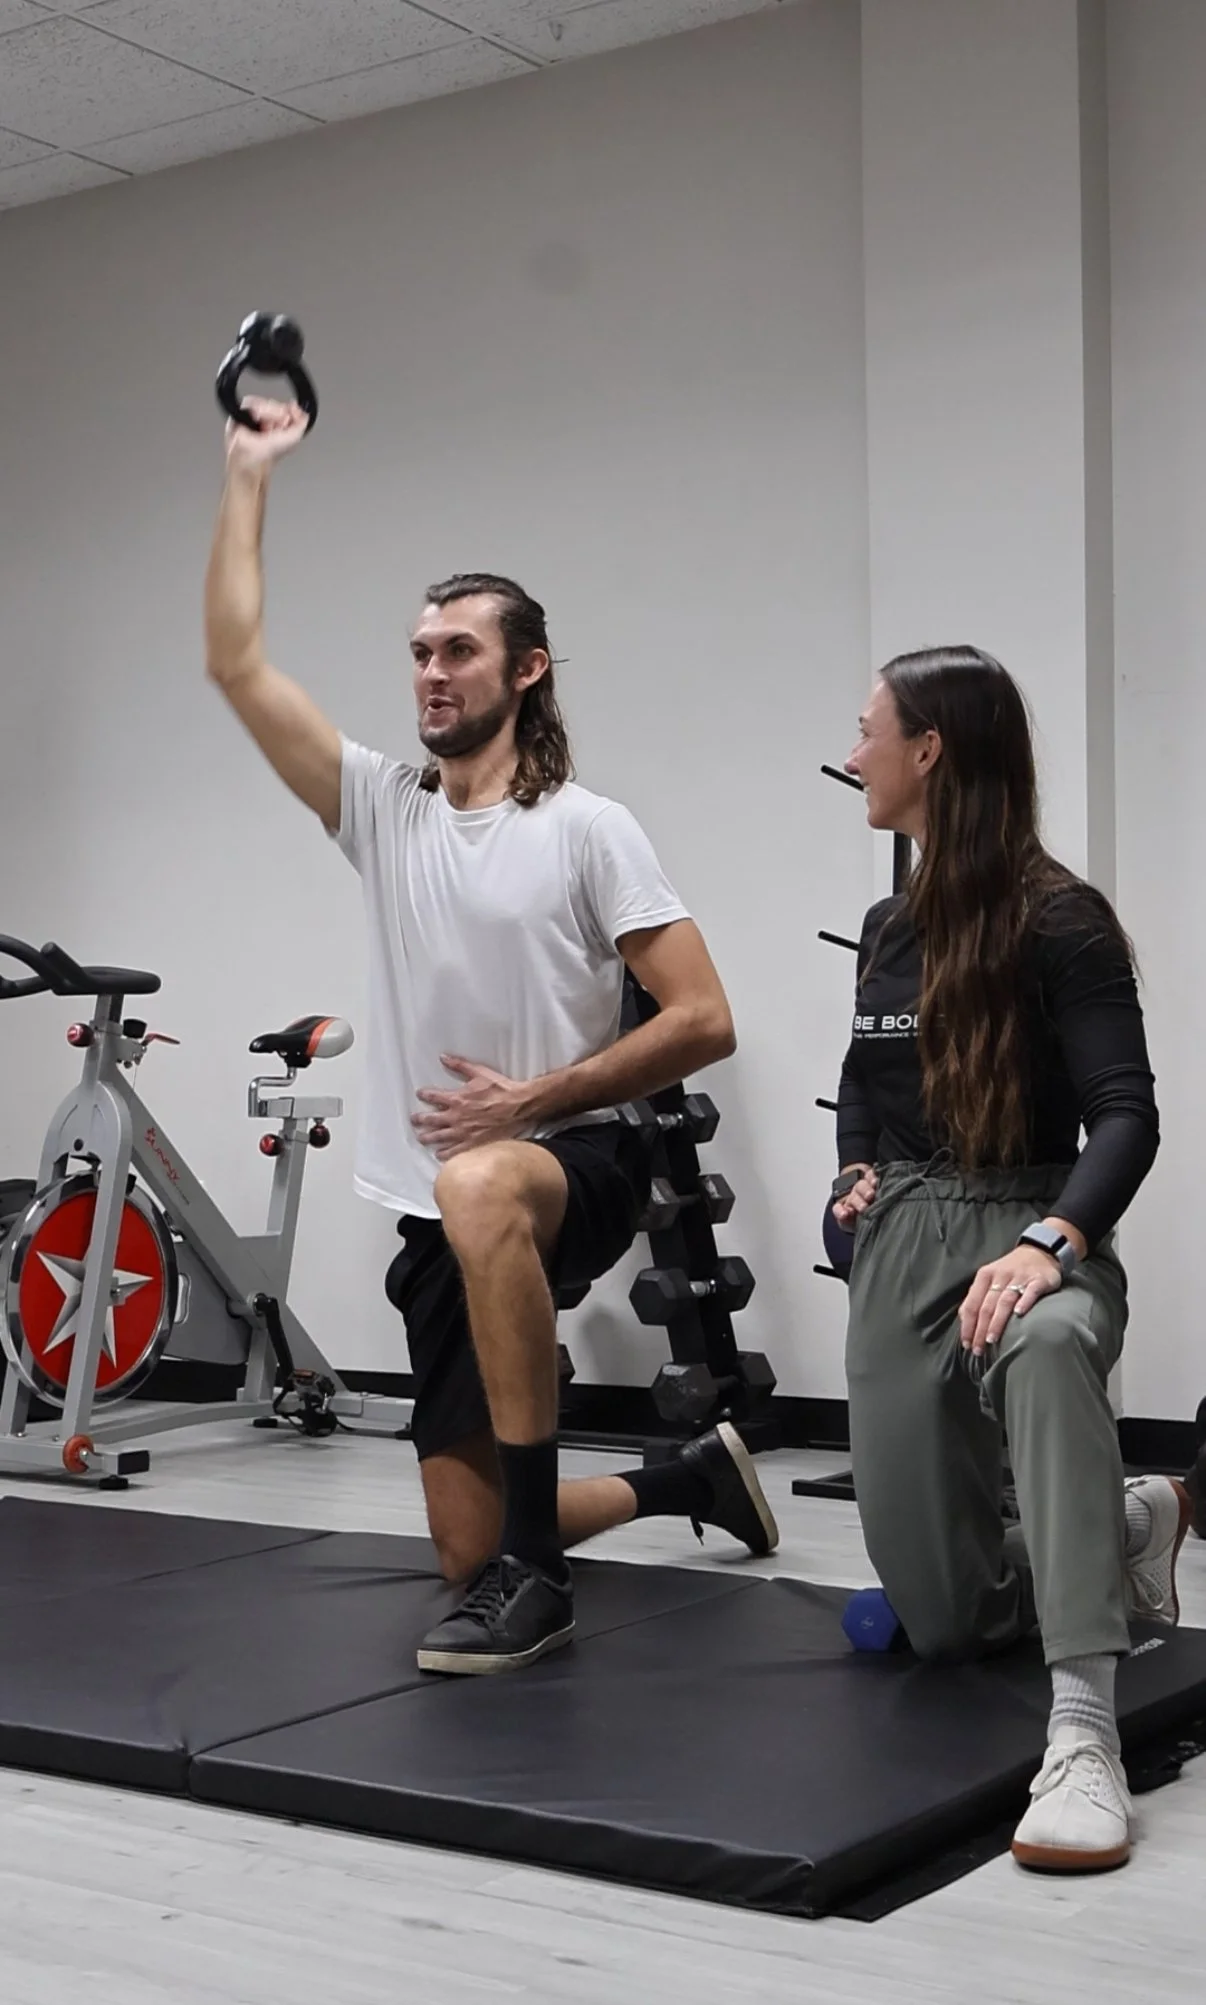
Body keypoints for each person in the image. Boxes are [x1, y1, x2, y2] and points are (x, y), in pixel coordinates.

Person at [203, 396, 777, 1678]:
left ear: (527, 670)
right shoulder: (382, 809)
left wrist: (538, 1098)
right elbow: (237, 664)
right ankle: (685, 1478)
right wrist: (248, 472)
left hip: (575, 1163)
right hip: (443, 1216)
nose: (430, 672)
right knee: (466, 1543)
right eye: (418, 650)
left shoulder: (586, 826)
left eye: (459, 649)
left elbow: (705, 1017)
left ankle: (544, 1585)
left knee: (479, 1175)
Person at [831, 644, 1187, 1875]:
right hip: (909, 1231)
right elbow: (864, 1081)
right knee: (941, 1618)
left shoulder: (1061, 919)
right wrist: (851, 1172)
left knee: (1043, 1347)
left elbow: (1128, 1115)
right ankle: (1126, 1524)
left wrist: (1053, 1243)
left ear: (929, 750)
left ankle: (1082, 1724)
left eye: (869, 729)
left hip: (1037, 1218)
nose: (855, 750)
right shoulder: (888, 921)